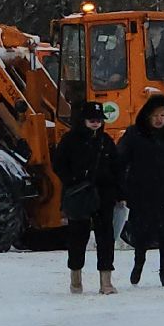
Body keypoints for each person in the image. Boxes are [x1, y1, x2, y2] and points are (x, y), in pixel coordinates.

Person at [117, 93, 164, 288]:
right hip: (141, 191)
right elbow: (120, 160)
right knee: (142, 233)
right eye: (155, 116)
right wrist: (122, 186)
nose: (159, 120)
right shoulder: (134, 134)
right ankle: (138, 264)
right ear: (147, 116)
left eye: (162, 116)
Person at [52, 99, 119, 295]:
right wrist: (73, 180)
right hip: (79, 196)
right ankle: (76, 280)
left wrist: (118, 193)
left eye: (99, 119)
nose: (96, 123)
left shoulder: (106, 141)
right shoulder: (69, 140)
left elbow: (117, 168)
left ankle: (105, 282)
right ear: (83, 120)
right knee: (77, 237)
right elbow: (58, 164)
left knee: (105, 238)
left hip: (103, 196)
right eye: (92, 119)